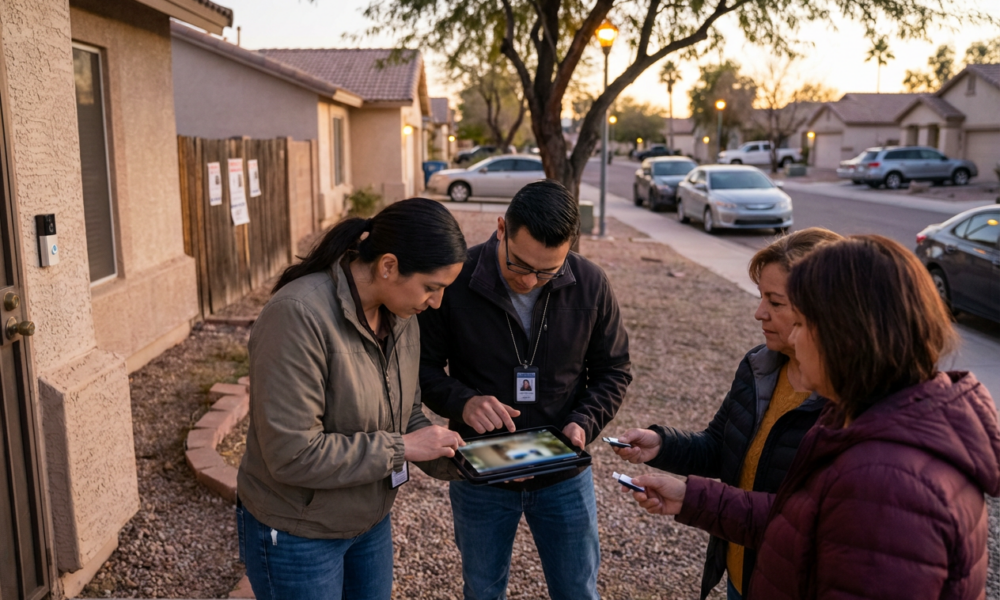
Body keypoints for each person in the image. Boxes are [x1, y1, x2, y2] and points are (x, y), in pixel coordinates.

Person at [626, 235, 1000, 599]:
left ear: (847, 334)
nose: (790, 334)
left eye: (801, 322)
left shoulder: (885, 481)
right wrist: (690, 495)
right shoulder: (862, 421)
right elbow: (800, 523)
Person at [236, 198, 469, 600]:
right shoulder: (297, 316)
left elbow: (406, 414)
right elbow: (292, 453)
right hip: (298, 532)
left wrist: (471, 462)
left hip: (369, 522)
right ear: (389, 266)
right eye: (432, 288)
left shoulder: (401, 315)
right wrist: (403, 447)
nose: (437, 302)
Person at [419, 180, 632, 600]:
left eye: (548, 270)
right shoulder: (456, 279)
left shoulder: (590, 283)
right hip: (482, 469)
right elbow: (422, 367)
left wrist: (582, 424)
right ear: (501, 228)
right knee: (482, 589)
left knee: (576, 590)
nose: (531, 280)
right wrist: (462, 400)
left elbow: (613, 370)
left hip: (562, 473)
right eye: (519, 265)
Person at [611, 227, 842, 600]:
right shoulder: (759, 366)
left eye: (775, 302)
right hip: (738, 573)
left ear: (823, 309)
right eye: (760, 297)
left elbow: (802, 519)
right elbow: (722, 447)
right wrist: (661, 445)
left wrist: (691, 498)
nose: (759, 313)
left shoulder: (847, 404)